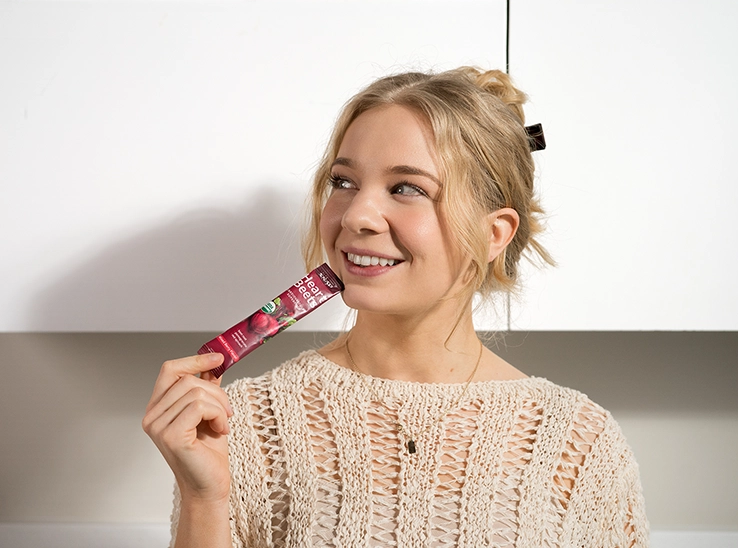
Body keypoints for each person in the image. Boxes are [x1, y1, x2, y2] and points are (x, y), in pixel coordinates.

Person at [143, 67, 649, 547]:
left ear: (494, 234)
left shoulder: (579, 443)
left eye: (407, 188)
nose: (356, 215)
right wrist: (204, 497)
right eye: (343, 182)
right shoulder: (242, 424)